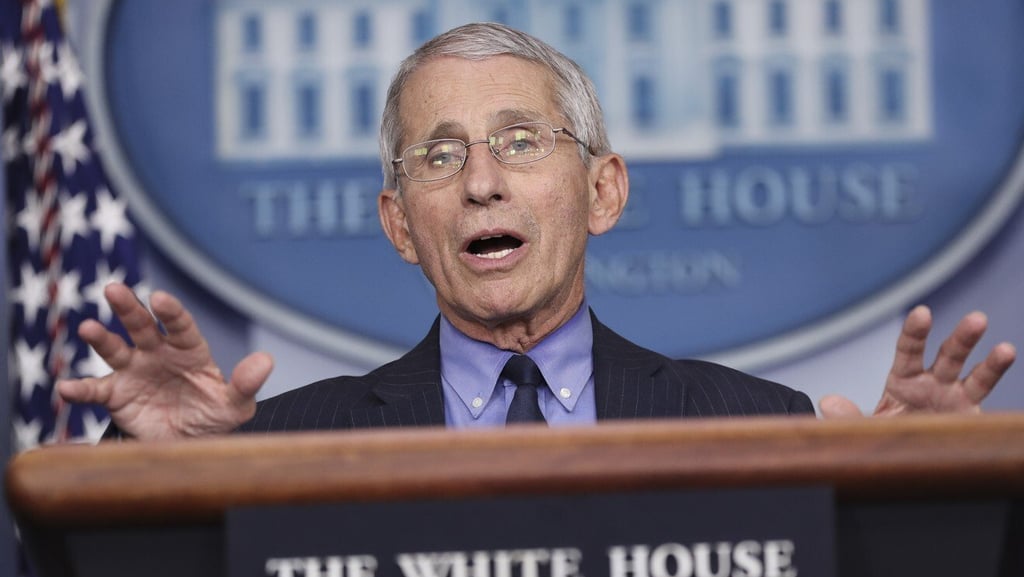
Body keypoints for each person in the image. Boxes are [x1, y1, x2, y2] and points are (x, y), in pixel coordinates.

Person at [57, 23, 1016, 439]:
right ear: (399, 223)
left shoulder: (763, 425)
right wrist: (155, 465)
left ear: (602, 190)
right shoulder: (286, 442)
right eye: (438, 157)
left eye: (521, 141)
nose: (480, 182)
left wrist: (912, 500)